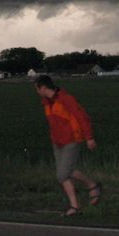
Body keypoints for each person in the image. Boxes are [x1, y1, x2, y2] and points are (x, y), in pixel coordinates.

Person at [34, 74, 101, 216]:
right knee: (65, 173)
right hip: (57, 141)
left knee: (62, 174)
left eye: (37, 89)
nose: (36, 92)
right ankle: (75, 206)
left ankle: (91, 185)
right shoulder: (46, 102)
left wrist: (89, 138)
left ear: (43, 88)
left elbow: (82, 117)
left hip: (72, 140)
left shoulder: (66, 99)